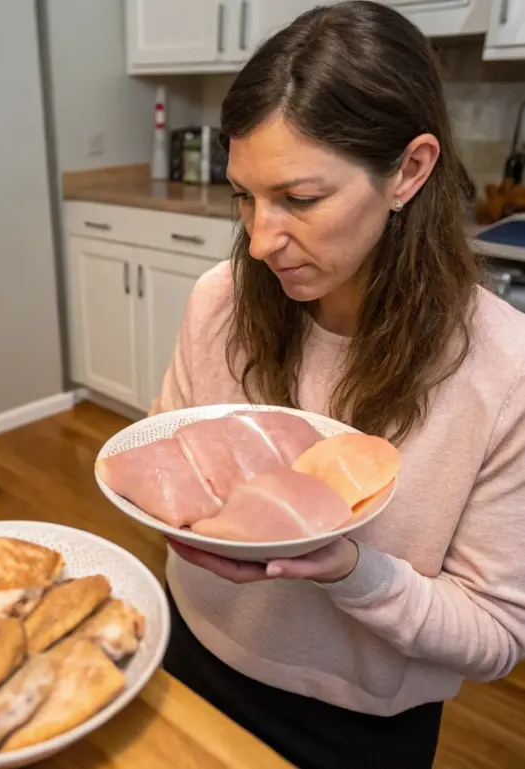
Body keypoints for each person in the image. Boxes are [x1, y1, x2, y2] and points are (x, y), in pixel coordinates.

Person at [149, 3, 525, 768]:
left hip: (356, 726)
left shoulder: (504, 369)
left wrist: (353, 571)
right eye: (244, 196)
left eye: (299, 199)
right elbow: (163, 457)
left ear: (409, 171)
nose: (259, 241)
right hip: (188, 649)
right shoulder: (219, 299)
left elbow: (495, 633)